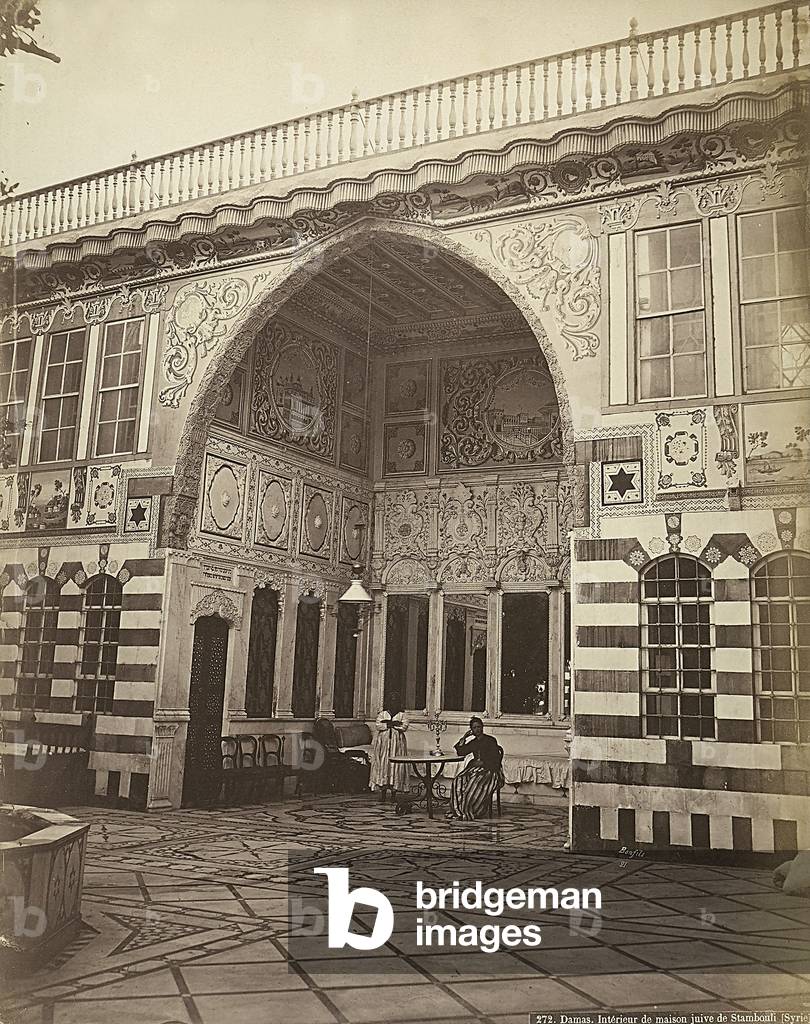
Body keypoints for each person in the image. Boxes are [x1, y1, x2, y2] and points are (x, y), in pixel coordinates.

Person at [448, 716, 504, 821]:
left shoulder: (491, 740)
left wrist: (482, 763)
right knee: (458, 780)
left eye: (479, 727)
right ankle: (458, 810)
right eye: (474, 728)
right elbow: (461, 752)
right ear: (471, 730)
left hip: (490, 771)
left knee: (473, 784)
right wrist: (464, 737)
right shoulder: (473, 742)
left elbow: (495, 760)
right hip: (475, 769)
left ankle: (471, 811)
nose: (477, 729)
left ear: (482, 727)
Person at [369, 692, 409, 799]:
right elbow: (378, 725)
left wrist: (389, 724)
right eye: (391, 700)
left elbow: (404, 726)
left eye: (395, 701)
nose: (393, 703)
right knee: (383, 764)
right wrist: (392, 724)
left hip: (397, 744)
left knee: (395, 766)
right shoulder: (382, 714)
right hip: (383, 743)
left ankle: (394, 793)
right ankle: (383, 793)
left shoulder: (402, 715)